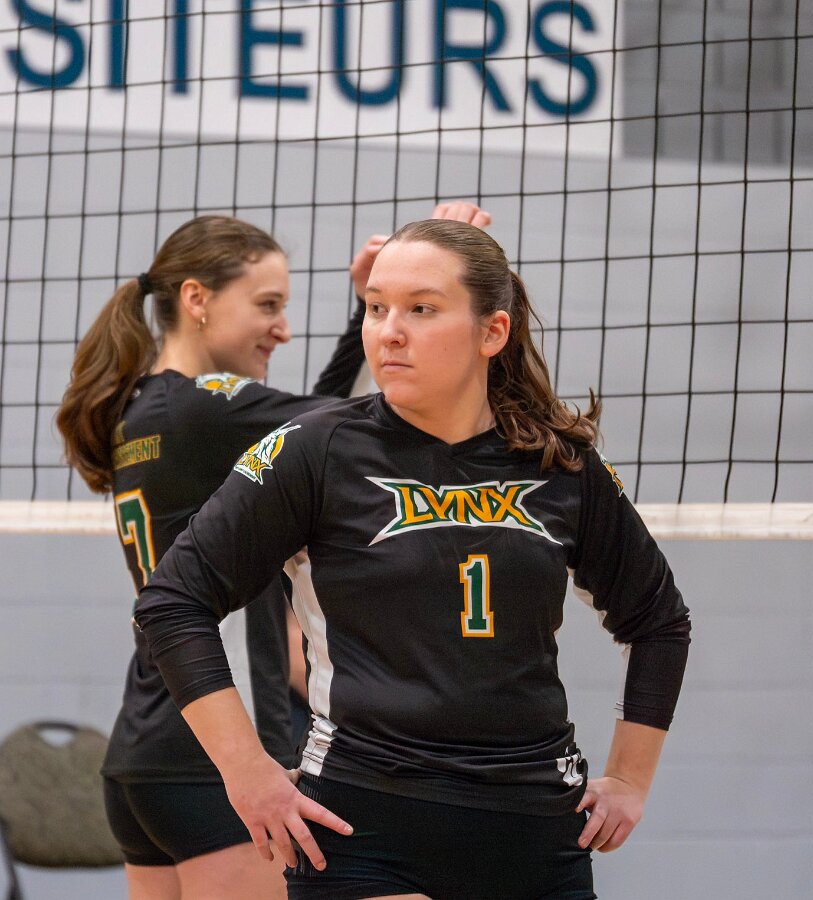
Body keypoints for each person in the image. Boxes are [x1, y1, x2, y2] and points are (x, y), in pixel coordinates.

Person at [129, 218, 692, 900]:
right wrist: (246, 772)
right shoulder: (314, 451)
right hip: (362, 824)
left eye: (421, 309)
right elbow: (172, 603)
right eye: (376, 308)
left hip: (534, 826)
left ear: (492, 332)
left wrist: (630, 779)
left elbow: (658, 621)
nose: (389, 331)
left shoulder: (560, 465)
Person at [56, 204, 491, 900]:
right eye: (266, 305)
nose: (281, 327)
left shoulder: (143, 407)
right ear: (196, 299)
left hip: (142, 756)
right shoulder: (208, 405)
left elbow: (307, 436)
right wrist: (444, 305)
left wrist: (367, 310)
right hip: (217, 759)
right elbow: (352, 428)